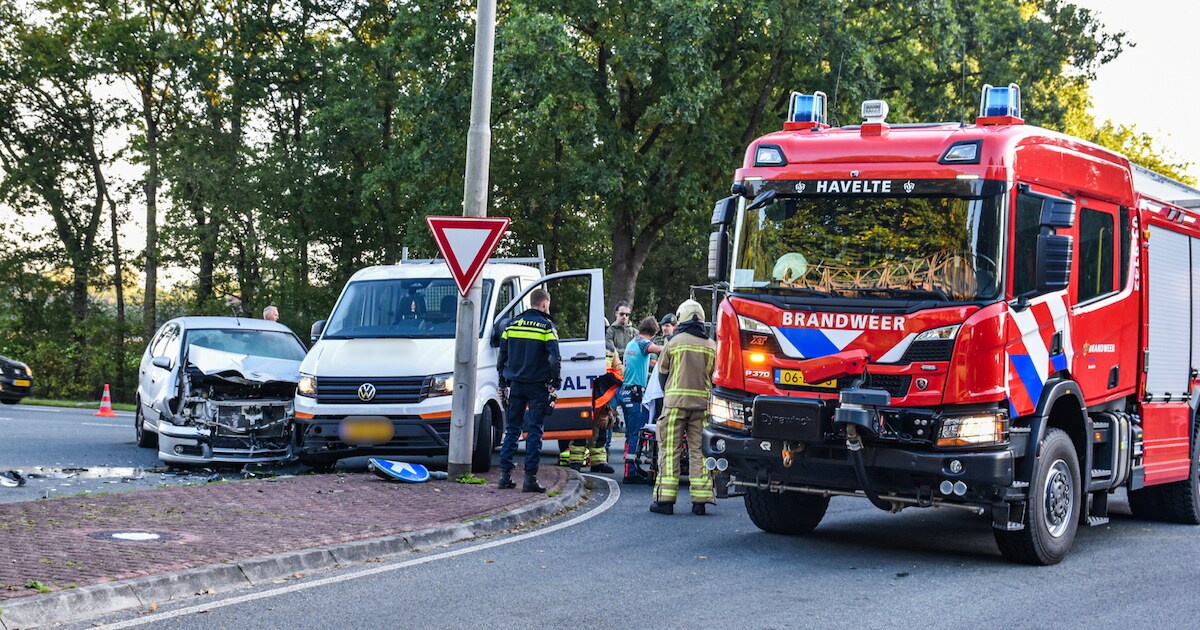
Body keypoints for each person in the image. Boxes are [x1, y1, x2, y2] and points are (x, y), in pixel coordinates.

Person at [650, 299, 717, 516]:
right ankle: (701, 500)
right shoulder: (711, 345)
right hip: (702, 407)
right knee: (700, 452)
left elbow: (662, 374)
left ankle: (665, 501)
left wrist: (669, 393)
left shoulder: (674, 342)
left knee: (670, 451)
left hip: (675, 406)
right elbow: (716, 378)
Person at [496, 288, 561, 493]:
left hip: (515, 384)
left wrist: (502, 384)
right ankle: (530, 479)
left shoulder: (512, 324)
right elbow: (554, 358)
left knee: (512, 430)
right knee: (534, 431)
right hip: (537, 386)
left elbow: (501, 358)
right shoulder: (546, 327)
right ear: (544, 304)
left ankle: (504, 476)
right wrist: (555, 382)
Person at [620, 316, 663, 484]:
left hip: (625, 392)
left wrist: (655, 365)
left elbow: (645, 362)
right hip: (635, 395)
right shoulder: (644, 343)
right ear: (653, 333)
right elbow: (657, 349)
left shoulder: (632, 343)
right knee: (636, 434)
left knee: (631, 432)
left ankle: (632, 466)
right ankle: (629, 473)